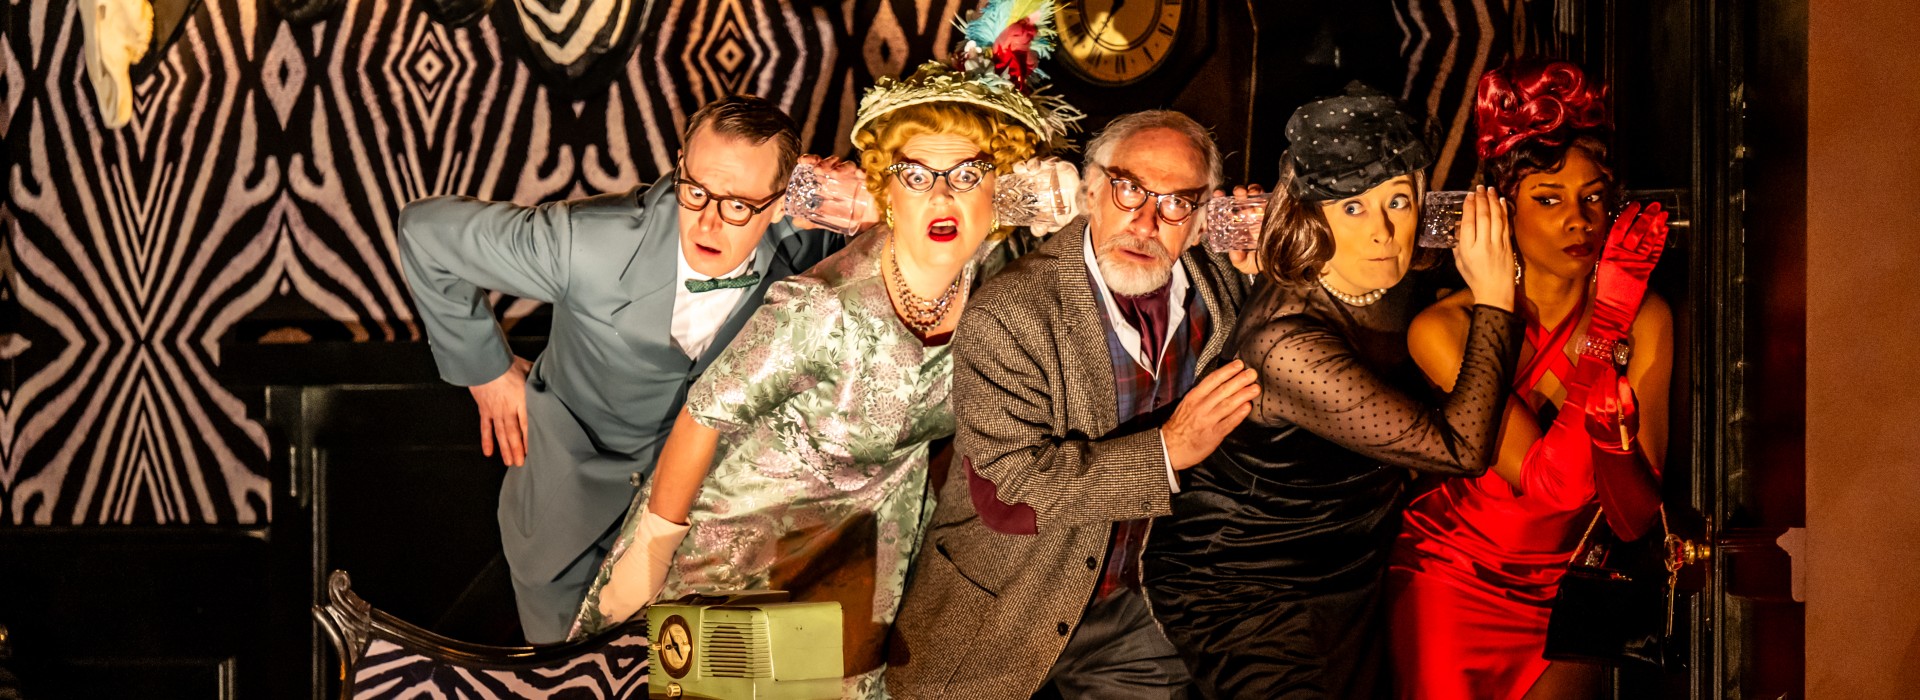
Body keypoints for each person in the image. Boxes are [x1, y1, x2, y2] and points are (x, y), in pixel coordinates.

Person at [567, 2, 1076, 695]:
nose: (941, 197)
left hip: (860, 548)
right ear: (884, 191)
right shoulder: (823, 309)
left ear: (1001, 188)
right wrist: (651, 550)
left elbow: (1094, 202)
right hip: (740, 544)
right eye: (916, 177)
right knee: (716, 689)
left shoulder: (996, 288)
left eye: (966, 176)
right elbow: (704, 415)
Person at [396, 95, 843, 642]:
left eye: (737, 207)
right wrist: (485, 372)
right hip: (576, 533)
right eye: (696, 191)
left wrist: (867, 199)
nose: (707, 221)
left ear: (779, 203)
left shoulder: (810, 241)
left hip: (726, 537)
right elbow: (427, 232)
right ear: (679, 165)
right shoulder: (587, 243)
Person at [1141, 83, 1525, 699]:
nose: (1382, 232)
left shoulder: (1385, 272)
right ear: (1312, 212)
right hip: (1249, 583)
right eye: (1352, 208)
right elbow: (1462, 450)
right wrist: (1495, 298)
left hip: (1347, 562)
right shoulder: (1287, 346)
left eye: (1398, 202)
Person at [885, 109, 1256, 699]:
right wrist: (1167, 451)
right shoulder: (1009, 311)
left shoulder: (1231, 287)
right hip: (1005, 600)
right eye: (1128, 189)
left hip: (1144, 612)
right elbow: (1011, 493)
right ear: (1089, 191)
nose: (1145, 222)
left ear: (1204, 214)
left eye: (1175, 203)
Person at [1385, 59, 1671, 700]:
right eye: (1549, 198)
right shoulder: (1443, 328)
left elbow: (1633, 520)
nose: (1579, 218)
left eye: (1594, 195)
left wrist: (1617, 440)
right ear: (1501, 206)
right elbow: (1556, 484)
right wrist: (1608, 323)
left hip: (1570, 589)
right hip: (1452, 580)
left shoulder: (1648, 316)